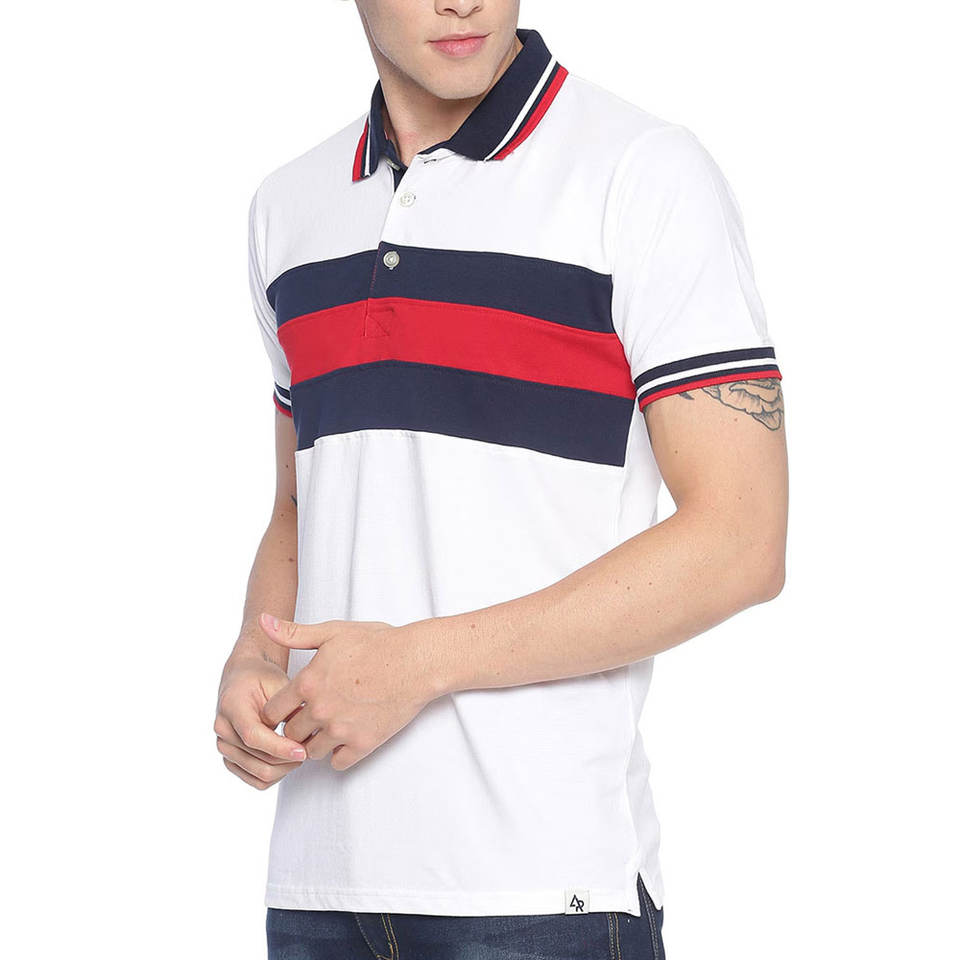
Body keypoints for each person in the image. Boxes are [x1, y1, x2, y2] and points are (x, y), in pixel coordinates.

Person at [214, 2, 788, 957]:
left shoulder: (641, 172)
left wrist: (419, 663)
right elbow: (302, 500)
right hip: (319, 884)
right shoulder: (289, 206)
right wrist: (252, 659)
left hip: (542, 890)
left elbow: (742, 541)